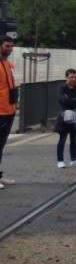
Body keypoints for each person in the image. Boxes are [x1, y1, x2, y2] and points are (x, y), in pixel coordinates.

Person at [55, 68, 76, 168]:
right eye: (71, 77)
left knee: (74, 139)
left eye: (75, 77)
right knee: (62, 138)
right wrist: (74, 100)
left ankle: (73, 159)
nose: (73, 79)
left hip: (75, 114)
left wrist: (70, 99)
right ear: (66, 77)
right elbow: (62, 100)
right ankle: (60, 160)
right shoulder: (61, 88)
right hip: (64, 115)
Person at [0, 35, 17, 188]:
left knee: (1, 144)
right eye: (7, 46)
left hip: (9, 110)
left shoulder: (10, 64)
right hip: (0, 110)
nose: (9, 49)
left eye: (11, 46)